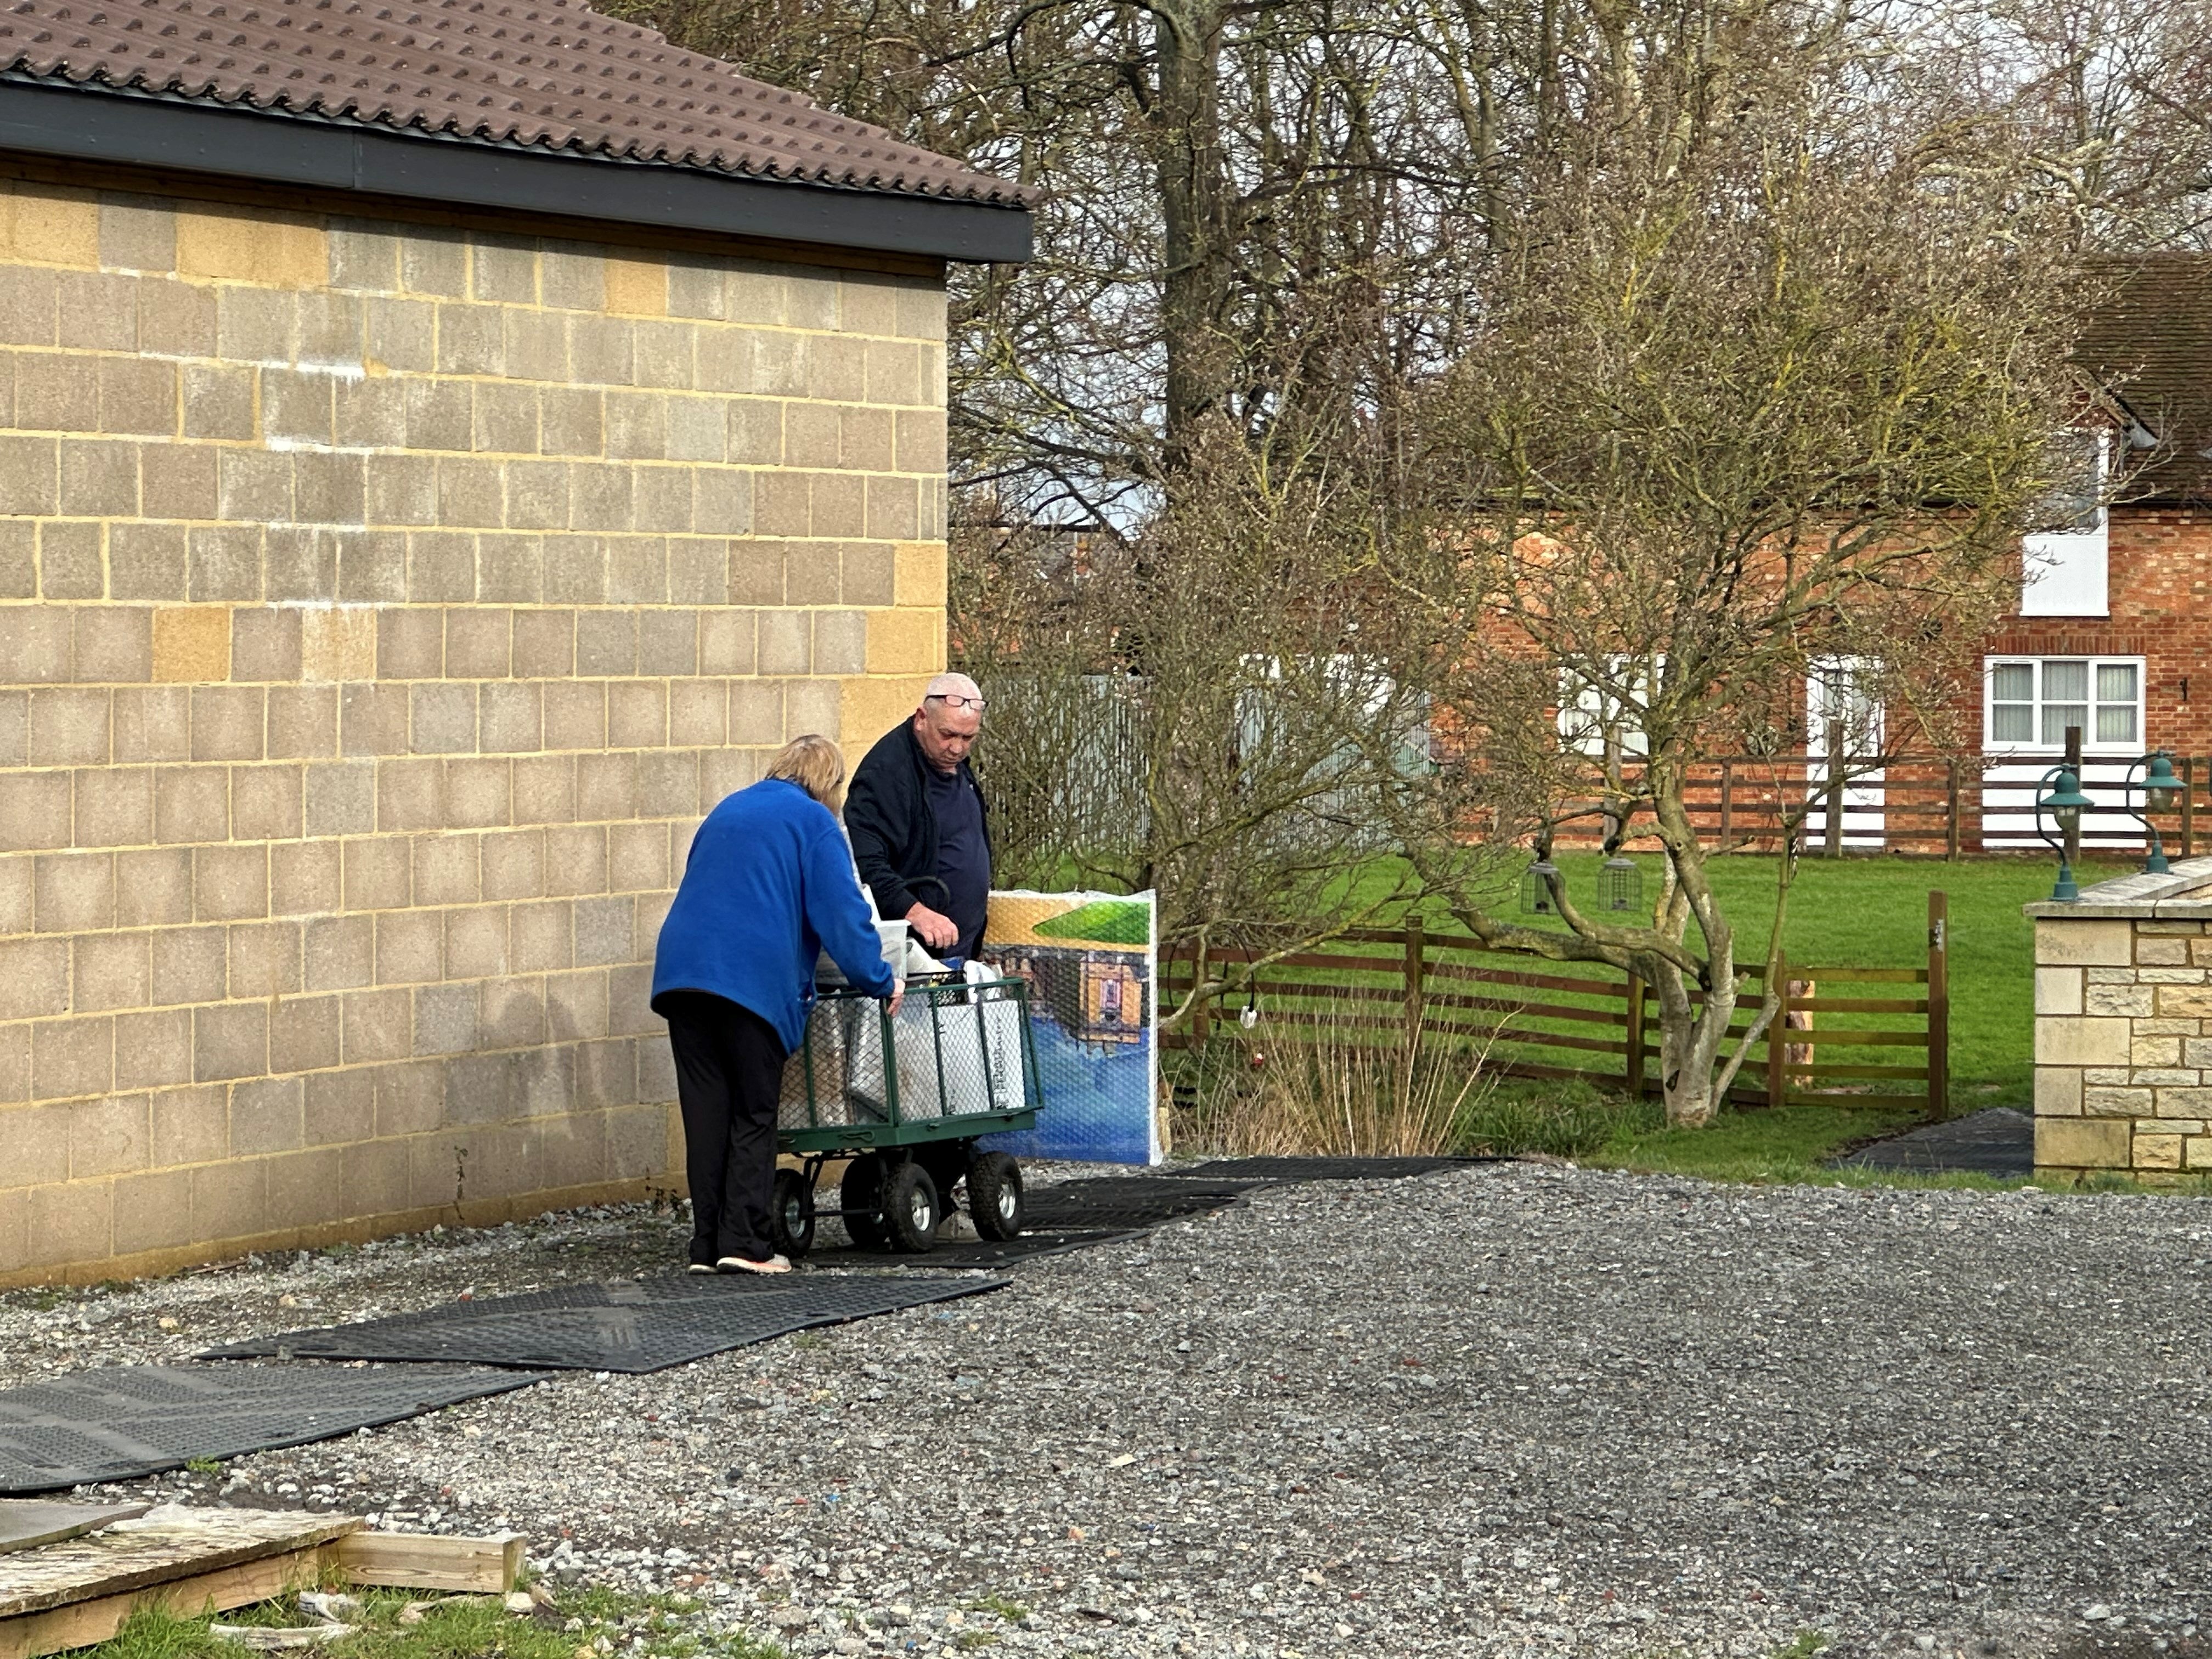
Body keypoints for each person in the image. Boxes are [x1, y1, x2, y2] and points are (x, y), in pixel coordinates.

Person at [652, 735, 900, 1275]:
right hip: (750, 982)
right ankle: (744, 1245)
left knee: (707, 1117)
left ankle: (706, 1246)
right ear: (829, 784)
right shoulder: (814, 823)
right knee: (752, 1115)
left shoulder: (729, 808)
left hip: (681, 976)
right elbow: (843, 916)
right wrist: (882, 980)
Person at [846, 672, 994, 963]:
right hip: (912, 956)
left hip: (959, 953)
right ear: (921, 718)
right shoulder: (886, 774)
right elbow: (864, 864)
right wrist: (915, 912)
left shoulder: (956, 764)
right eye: (948, 735)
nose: (958, 748)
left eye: (968, 738)